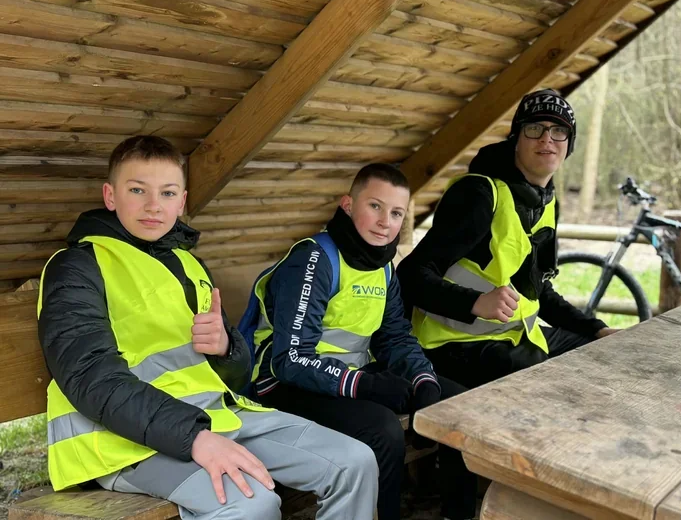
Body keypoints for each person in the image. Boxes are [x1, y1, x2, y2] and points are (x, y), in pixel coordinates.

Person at [37, 136, 378, 520]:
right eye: (137, 190)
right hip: (123, 442)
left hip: (215, 417)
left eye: (167, 193)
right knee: (252, 504)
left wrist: (225, 349)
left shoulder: (189, 264)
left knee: (354, 462)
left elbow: (235, 374)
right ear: (110, 196)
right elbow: (90, 377)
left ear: (182, 201)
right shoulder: (77, 267)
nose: (153, 205)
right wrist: (195, 437)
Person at [248, 164, 478, 520]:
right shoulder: (314, 260)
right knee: (384, 430)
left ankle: (457, 514)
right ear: (348, 205)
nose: (385, 221)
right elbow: (291, 359)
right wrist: (365, 385)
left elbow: (395, 337)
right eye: (375, 206)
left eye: (396, 213)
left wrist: (423, 380)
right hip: (284, 383)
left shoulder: (383, 267)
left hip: (347, 374)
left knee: (457, 402)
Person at [397, 88, 620, 390]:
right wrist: (476, 302)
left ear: (569, 145)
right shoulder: (478, 195)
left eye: (558, 131)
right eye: (534, 129)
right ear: (516, 139)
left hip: (514, 336)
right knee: (547, 381)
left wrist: (596, 329)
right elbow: (410, 275)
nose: (547, 139)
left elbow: (536, 289)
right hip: (451, 345)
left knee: (598, 353)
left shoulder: (546, 202)